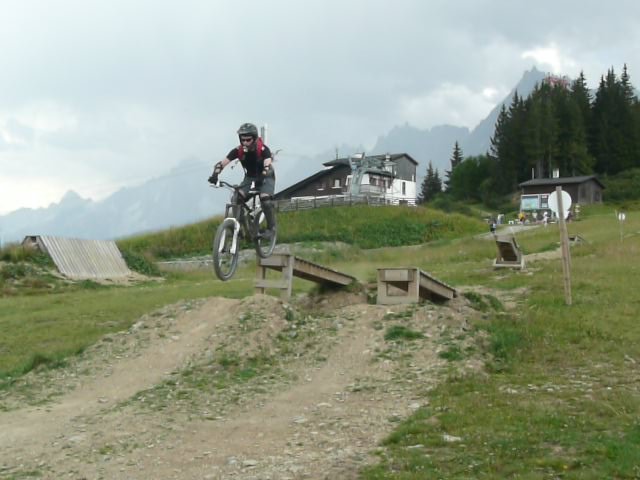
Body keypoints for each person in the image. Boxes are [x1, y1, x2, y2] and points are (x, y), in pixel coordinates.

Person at [208, 123, 276, 237]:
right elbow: (222, 163)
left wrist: (262, 177)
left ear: (254, 138)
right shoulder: (238, 151)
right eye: (242, 140)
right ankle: (239, 228)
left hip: (267, 176)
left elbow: (267, 165)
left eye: (248, 140)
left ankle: (271, 229)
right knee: (236, 197)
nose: (245, 142)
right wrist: (215, 175)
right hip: (249, 178)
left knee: (265, 199)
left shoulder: (263, 150)